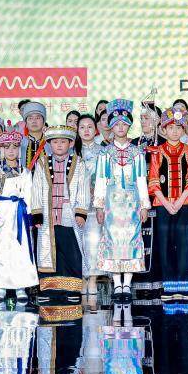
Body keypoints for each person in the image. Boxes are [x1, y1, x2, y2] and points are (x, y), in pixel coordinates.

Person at [93, 99, 151, 300]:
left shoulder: (137, 152)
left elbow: (141, 180)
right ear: (111, 126)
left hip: (132, 204)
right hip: (112, 204)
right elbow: (101, 180)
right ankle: (117, 283)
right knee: (113, 240)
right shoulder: (105, 152)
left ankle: (128, 283)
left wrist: (144, 205)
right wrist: (99, 206)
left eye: (124, 124)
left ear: (129, 126)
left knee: (132, 239)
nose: (120, 127)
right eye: (116, 124)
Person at [32, 125, 90, 303]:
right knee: (48, 252)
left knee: (70, 251)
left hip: (69, 214)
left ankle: (72, 290)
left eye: (63, 142)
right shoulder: (42, 162)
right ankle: (48, 290)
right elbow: (36, 188)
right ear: (49, 144)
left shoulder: (79, 163)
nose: (58, 145)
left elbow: (83, 188)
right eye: (55, 142)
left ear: (70, 143)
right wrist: (37, 213)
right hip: (48, 215)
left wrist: (81, 212)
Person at [147, 107, 188, 301]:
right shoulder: (157, 152)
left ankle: (184, 287)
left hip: (184, 203)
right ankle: (169, 287)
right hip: (163, 205)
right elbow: (153, 181)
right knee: (165, 245)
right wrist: (167, 204)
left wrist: (179, 201)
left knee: (185, 245)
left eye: (178, 127)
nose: (175, 131)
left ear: (183, 129)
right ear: (164, 129)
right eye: (171, 128)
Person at [0, 130, 38, 303]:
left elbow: (29, 196)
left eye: (15, 147)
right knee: (1, 250)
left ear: (19, 150)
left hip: (20, 213)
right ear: (2, 149)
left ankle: (21, 286)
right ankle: (0, 286)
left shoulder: (25, 172)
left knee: (20, 250)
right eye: (7, 147)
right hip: (2, 213)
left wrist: (29, 218)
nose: (11, 151)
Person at [130, 103, 164, 300]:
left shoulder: (164, 144)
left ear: (158, 120)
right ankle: (137, 282)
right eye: (142, 118)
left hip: (158, 199)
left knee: (158, 241)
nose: (144, 121)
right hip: (135, 200)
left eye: (148, 117)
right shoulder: (133, 144)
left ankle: (158, 283)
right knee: (137, 240)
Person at [77, 114, 106, 297]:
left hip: (96, 204)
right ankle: (82, 278)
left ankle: (93, 278)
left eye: (89, 127)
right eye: (82, 127)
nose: (86, 130)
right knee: (79, 242)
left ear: (95, 129)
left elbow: (106, 177)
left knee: (94, 241)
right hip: (77, 205)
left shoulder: (103, 151)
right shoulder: (72, 151)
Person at [19, 101, 50, 171]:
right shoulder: (19, 142)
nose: (34, 121)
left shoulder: (50, 143)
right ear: (26, 123)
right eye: (30, 118)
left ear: (44, 122)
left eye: (38, 118)